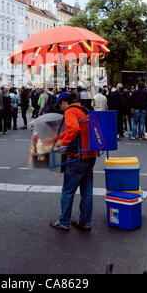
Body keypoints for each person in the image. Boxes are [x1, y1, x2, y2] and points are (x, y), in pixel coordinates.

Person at [50, 92, 98, 232]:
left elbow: (74, 129)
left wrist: (62, 144)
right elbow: (79, 129)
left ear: (64, 102)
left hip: (78, 157)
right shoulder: (84, 109)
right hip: (90, 154)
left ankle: (64, 222)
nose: (61, 109)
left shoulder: (70, 111)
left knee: (68, 191)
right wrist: (58, 138)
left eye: (60, 106)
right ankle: (85, 222)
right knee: (87, 191)